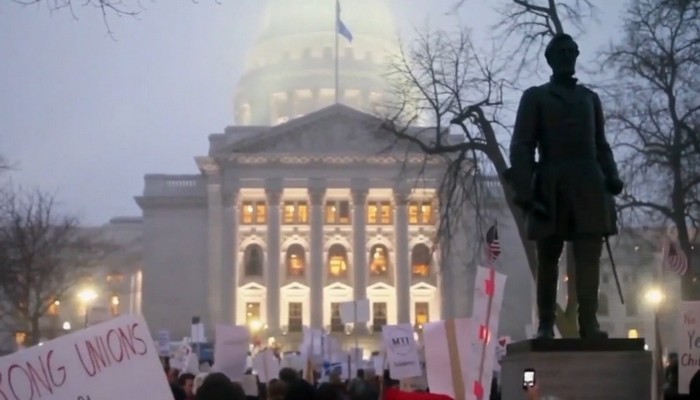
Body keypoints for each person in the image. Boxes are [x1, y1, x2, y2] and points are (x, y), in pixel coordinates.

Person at [508, 33, 623, 339]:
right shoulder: (535, 97)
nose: (566, 56)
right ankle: (545, 322)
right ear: (550, 59)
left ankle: (589, 321)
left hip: (589, 183)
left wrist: (611, 175)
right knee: (548, 257)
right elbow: (522, 145)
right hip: (551, 182)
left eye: (571, 51)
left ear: (576, 55)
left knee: (588, 257)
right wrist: (525, 192)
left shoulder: (589, 99)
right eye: (560, 52)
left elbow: (601, 144)